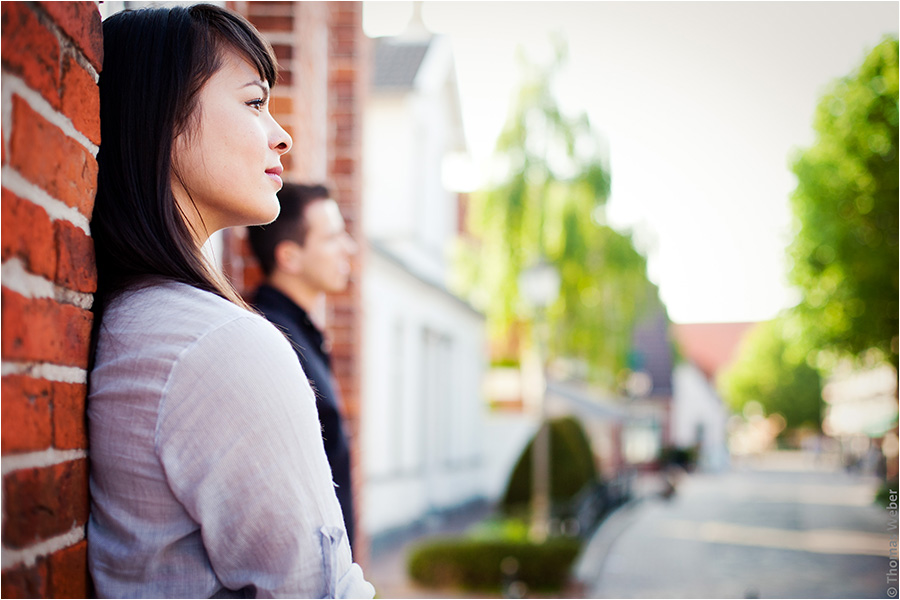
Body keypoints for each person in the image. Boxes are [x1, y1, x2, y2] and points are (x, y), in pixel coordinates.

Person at [87, 5, 374, 598]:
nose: (282, 134)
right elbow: (318, 591)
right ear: (163, 119)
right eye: (253, 103)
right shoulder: (219, 345)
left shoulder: (128, 316)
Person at [247, 184, 359, 550]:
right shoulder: (274, 340)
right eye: (332, 238)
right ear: (290, 256)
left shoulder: (302, 333)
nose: (349, 248)